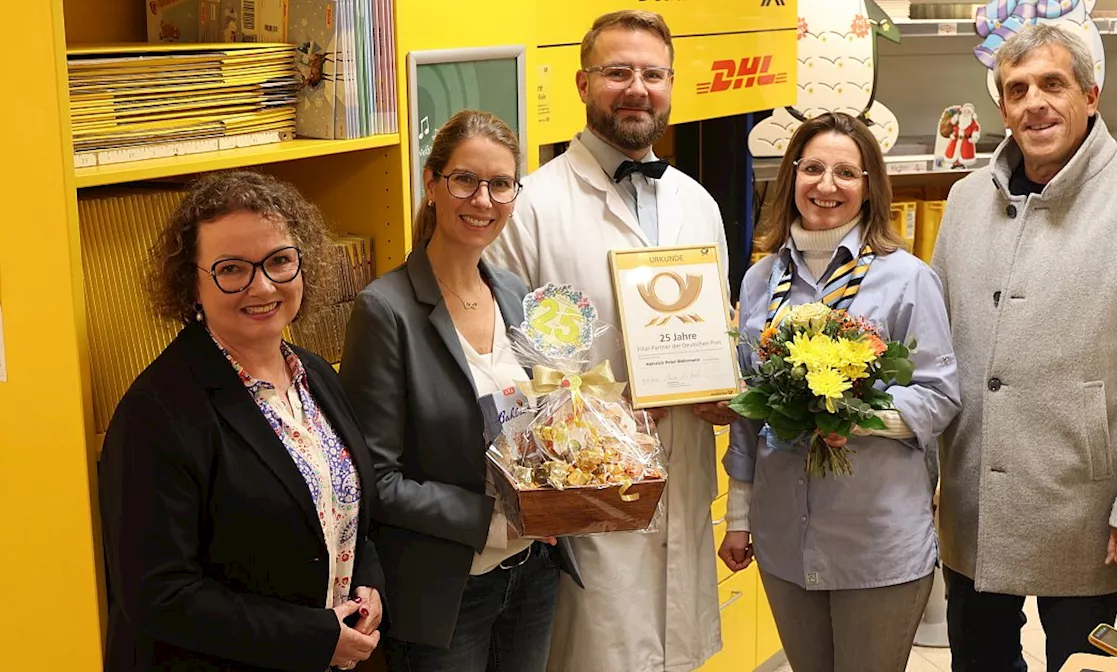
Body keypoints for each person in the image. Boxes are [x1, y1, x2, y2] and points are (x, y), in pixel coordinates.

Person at [931, 24, 1117, 672]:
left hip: (1086, 508)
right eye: (1018, 89)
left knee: (1082, 665)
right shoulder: (966, 201)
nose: (1035, 102)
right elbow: (936, 355)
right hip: (974, 502)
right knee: (979, 661)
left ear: (1091, 93)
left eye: (1052, 84)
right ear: (1002, 106)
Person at [484, 10, 736, 672]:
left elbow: (713, 332)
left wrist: (719, 389)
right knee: (597, 656)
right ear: (582, 82)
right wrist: (589, 426)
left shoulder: (697, 203)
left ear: (672, 85)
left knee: (675, 654)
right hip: (589, 490)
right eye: (617, 71)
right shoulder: (532, 206)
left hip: (681, 473)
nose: (637, 88)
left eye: (653, 74)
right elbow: (504, 364)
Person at [98, 171, 385, 672]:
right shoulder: (157, 412)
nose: (262, 285)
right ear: (191, 281)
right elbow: (158, 594)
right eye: (232, 269)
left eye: (279, 261)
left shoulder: (314, 373)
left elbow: (348, 516)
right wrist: (313, 638)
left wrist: (369, 587)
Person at [339, 110, 582, 672]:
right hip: (449, 591)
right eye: (465, 180)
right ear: (432, 183)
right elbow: (375, 479)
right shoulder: (385, 311)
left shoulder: (517, 294)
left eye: (501, 184)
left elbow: (535, 431)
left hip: (533, 574)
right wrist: (492, 519)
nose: (483, 200)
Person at [717, 112, 960, 672]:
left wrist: (859, 418)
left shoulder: (907, 278)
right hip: (783, 537)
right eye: (813, 168)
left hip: (876, 539)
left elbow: (941, 396)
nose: (827, 186)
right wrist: (738, 516)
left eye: (846, 173)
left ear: (869, 185)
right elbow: (748, 412)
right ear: (791, 178)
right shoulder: (760, 281)